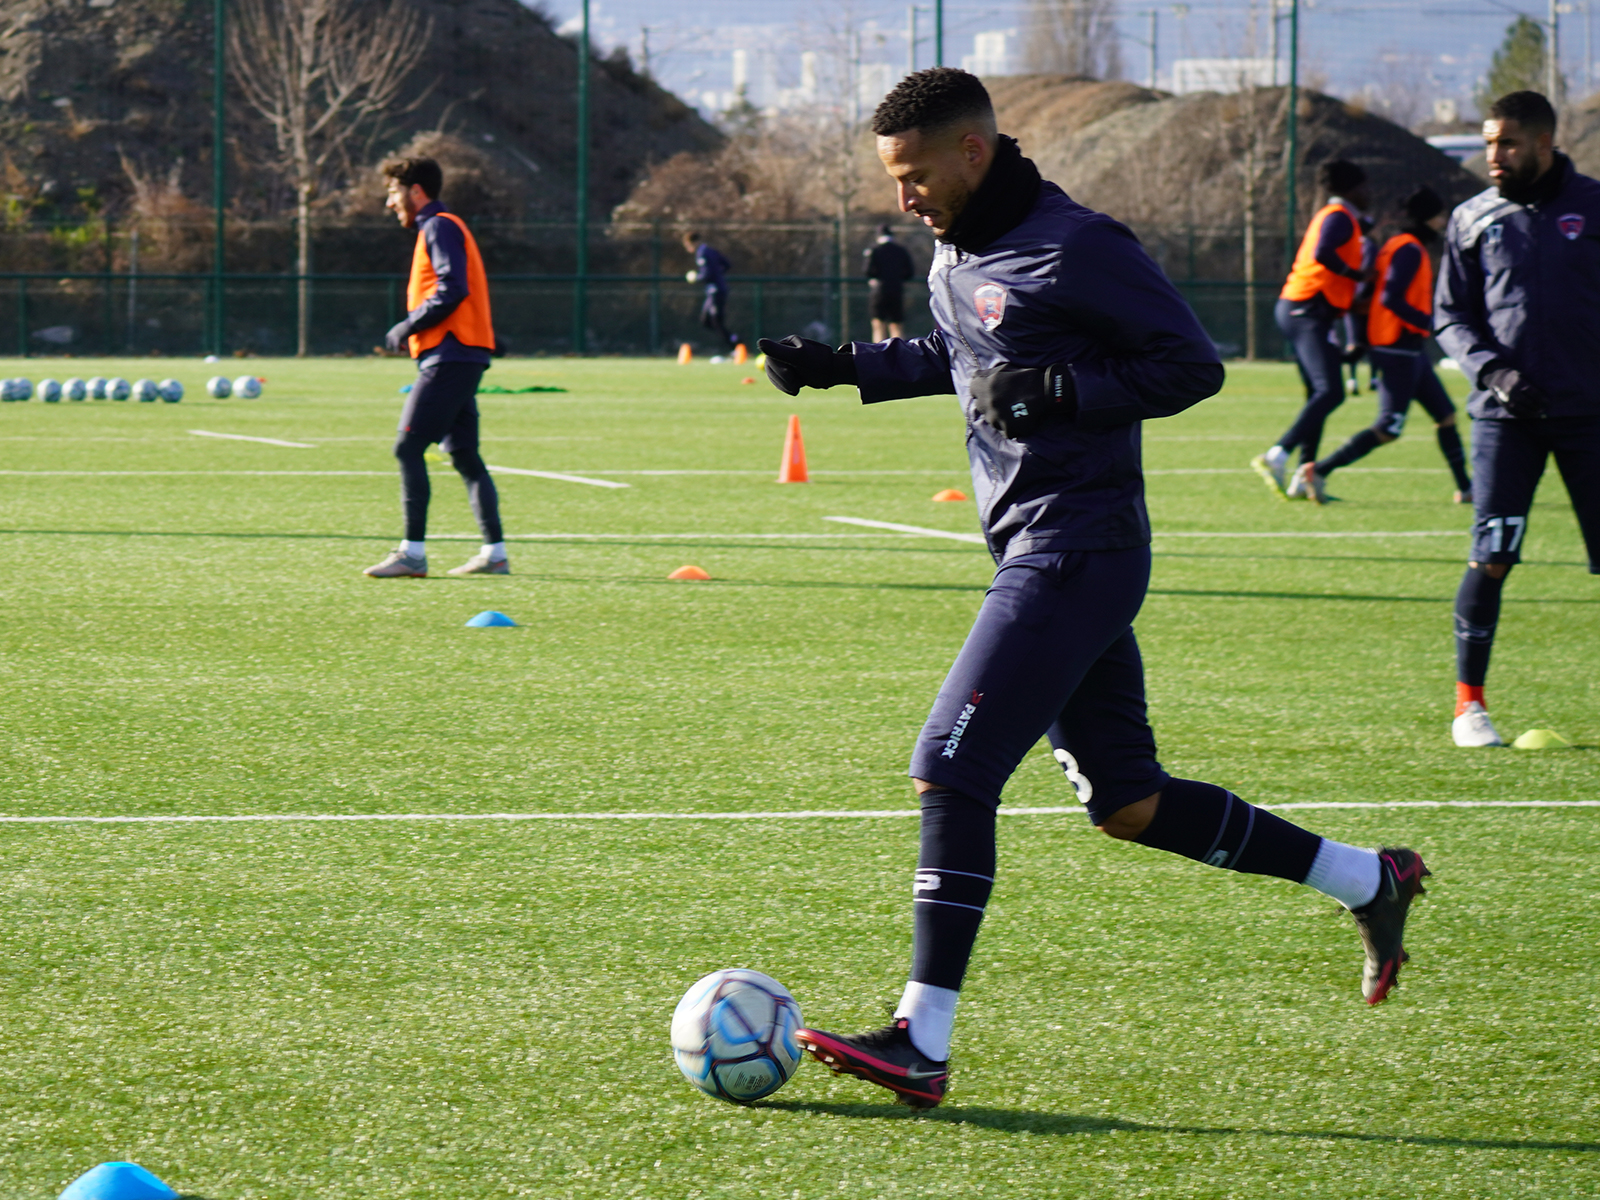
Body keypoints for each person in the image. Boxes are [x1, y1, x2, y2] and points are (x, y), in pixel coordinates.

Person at [758, 68, 1431, 1110]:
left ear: (972, 153)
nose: (903, 198)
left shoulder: (1078, 246)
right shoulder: (957, 247)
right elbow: (961, 348)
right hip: (1034, 545)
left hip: (1079, 549)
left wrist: (1064, 390)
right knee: (1128, 803)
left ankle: (919, 1040)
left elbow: (1188, 366)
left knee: (949, 765)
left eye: (914, 174)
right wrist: (839, 366)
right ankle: (1364, 879)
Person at [1434, 91, 1600, 747]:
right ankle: (1468, 707)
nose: (1493, 156)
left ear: (1543, 142)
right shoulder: (1473, 218)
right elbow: (1449, 316)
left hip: (1593, 415)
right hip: (1507, 417)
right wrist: (1495, 373)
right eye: (1488, 142)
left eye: (1506, 143)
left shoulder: (1594, 208)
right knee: (1492, 556)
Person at [365, 156, 508, 579]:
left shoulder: (439, 225)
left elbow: (453, 287)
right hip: (460, 354)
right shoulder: (443, 226)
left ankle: (412, 554)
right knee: (465, 455)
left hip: (450, 354)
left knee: (407, 447)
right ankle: (495, 554)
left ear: (415, 191)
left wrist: (409, 325)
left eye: (393, 193)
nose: (389, 203)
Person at [1295, 186, 1472, 504]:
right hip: (1396, 349)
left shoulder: (1397, 245)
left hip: (1408, 350)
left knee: (1445, 415)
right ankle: (1319, 470)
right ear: (1427, 218)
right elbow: (1390, 297)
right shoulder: (1408, 249)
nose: (1442, 222)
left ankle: (1467, 488)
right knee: (1388, 428)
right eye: (1439, 216)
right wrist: (1426, 322)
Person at [1252, 160, 1374, 498]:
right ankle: (1278, 455)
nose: (1369, 193)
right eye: (1365, 187)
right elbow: (1323, 252)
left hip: (1303, 308)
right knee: (1331, 391)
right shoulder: (1338, 216)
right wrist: (1357, 275)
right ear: (1351, 189)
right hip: (1305, 308)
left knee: (1319, 395)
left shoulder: (1341, 217)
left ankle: (1303, 478)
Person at [683, 231, 739, 350]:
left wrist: (696, 277)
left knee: (716, 322)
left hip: (716, 291)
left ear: (694, 243)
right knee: (706, 321)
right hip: (714, 291)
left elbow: (707, 274)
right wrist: (719, 275)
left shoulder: (702, 253)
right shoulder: (711, 251)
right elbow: (727, 264)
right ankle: (733, 342)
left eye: (688, 246)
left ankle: (736, 344)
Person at [863, 223, 916, 341]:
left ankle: (879, 353)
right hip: (896, 290)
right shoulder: (901, 251)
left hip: (879, 291)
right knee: (896, 324)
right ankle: (899, 354)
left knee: (878, 324)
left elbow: (868, 271)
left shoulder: (874, 250)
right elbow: (910, 272)